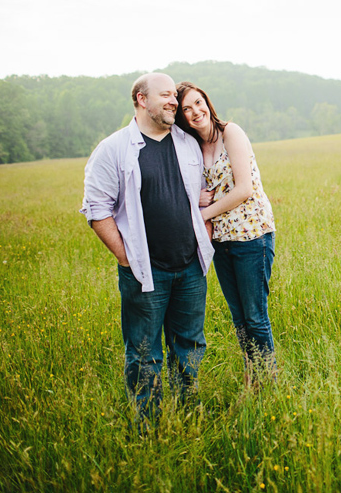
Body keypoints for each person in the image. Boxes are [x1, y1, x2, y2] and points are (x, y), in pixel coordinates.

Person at [80, 73, 214, 426]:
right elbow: (96, 209)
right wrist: (127, 258)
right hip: (144, 271)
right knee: (144, 354)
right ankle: (149, 425)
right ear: (142, 99)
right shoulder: (113, 149)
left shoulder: (187, 143)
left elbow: (202, 194)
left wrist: (207, 239)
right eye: (166, 95)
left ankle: (188, 414)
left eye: (175, 96)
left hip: (190, 267)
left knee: (190, 347)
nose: (174, 101)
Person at [175, 81, 277, 381]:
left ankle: (267, 379)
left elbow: (244, 189)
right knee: (239, 319)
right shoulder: (192, 147)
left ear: (207, 101)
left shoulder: (230, 132)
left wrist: (201, 214)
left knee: (256, 318)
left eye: (198, 102)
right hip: (221, 242)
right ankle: (252, 375)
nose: (195, 112)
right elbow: (196, 188)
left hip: (251, 237)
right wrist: (197, 199)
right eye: (186, 109)